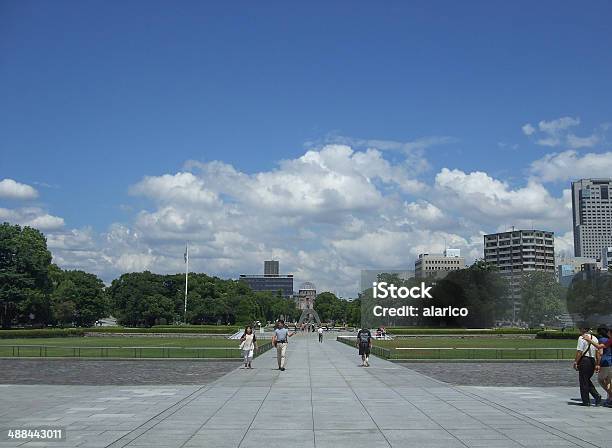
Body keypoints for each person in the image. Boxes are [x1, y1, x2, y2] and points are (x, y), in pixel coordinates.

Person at [574, 326, 602, 406]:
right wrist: (597, 363)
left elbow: (580, 351)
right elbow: (598, 353)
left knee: (583, 381)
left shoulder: (581, 338)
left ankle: (586, 401)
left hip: (584, 361)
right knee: (586, 380)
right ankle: (596, 396)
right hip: (592, 361)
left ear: (584, 329)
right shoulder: (595, 338)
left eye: (580, 328)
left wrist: (576, 362)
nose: (580, 330)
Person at [584, 326, 612, 406]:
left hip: (606, 363)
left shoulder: (603, 340)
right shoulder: (609, 340)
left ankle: (611, 395)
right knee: (609, 381)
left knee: (601, 380)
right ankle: (609, 399)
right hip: (610, 362)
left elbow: (600, 351)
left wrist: (589, 340)